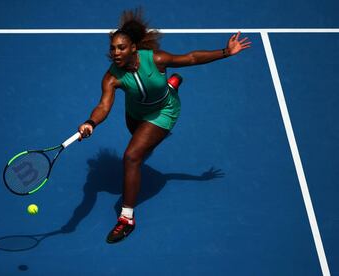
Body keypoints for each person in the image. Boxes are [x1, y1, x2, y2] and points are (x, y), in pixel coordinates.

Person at [78, 9, 251, 243]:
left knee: (131, 157)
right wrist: (91, 122)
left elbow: (190, 58)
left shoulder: (156, 59)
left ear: (133, 48)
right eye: (113, 48)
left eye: (121, 47)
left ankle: (126, 219)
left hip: (162, 111)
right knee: (141, 148)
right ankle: (170, 85)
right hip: (135, 113)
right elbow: (103, 106)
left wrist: (226, 52)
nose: (116, 52)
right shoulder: (112, 77)